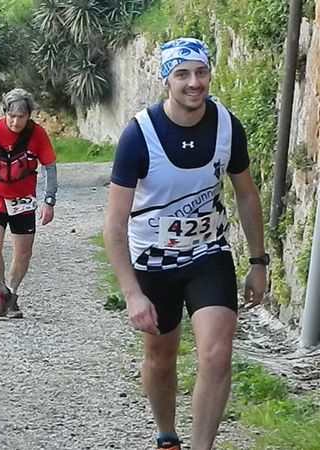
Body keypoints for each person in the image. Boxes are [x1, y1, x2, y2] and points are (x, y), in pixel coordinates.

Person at [103, 38, 267, 450]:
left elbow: (246, 195)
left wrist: (258, 261)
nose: (194, 83)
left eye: (201, 72)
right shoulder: (139, 135)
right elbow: (115, 224)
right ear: (166, 81)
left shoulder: (228, 125)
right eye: (182, 74)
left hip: (208, 254)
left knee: (216, 353)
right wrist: (132, 294)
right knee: (161, 358)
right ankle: (166, 436)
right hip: (153, 260)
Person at [0, 88, 57, 318]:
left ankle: (12, 294)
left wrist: (49, 200)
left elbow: (49, 166)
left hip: (23, 199)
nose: (16, 122)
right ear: (4, 113)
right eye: (12, 116)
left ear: (29, 116)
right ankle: (0, 289)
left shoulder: (37, 134)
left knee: (23, 252)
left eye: (22, 117)